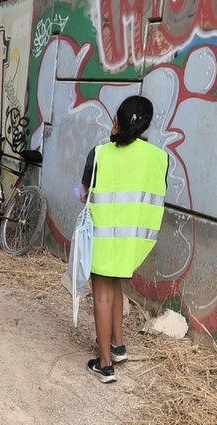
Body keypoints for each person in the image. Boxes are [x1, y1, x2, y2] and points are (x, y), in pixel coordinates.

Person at [78, 95, 168, 384]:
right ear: (146, 125)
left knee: (102, 295)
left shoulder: (100, 153)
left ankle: (104, 365)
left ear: (117, 119)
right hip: (134, 242)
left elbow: (83, 193)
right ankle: (117, 347)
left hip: (104, 238)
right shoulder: (159, 157)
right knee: (116, 288)